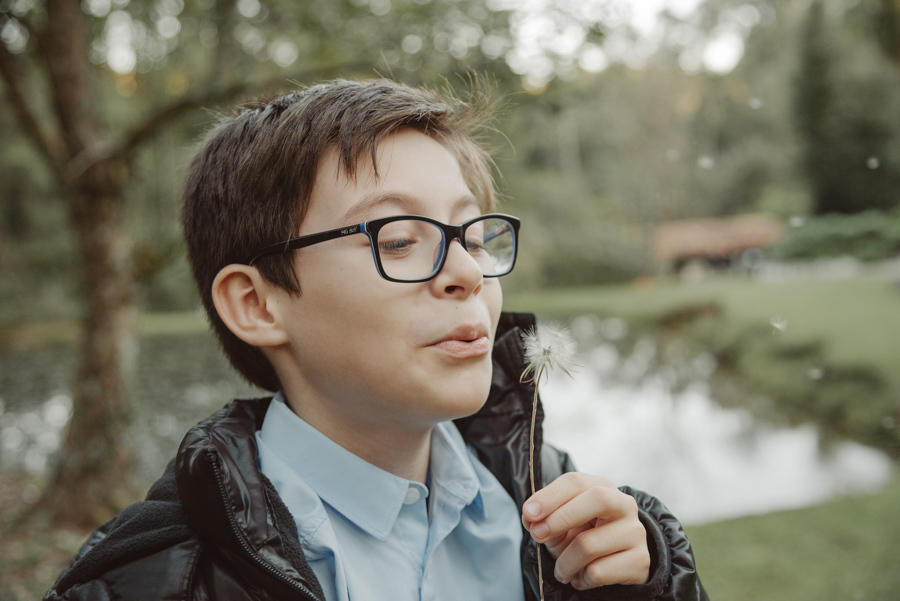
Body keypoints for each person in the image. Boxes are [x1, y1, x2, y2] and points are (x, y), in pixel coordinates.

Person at [45, 79, 708, 601]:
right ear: (257, 304)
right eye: (397, 239)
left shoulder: (560, 515)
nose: (467, 272)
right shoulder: (146, 581)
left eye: (474, 236)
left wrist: (646, 588)